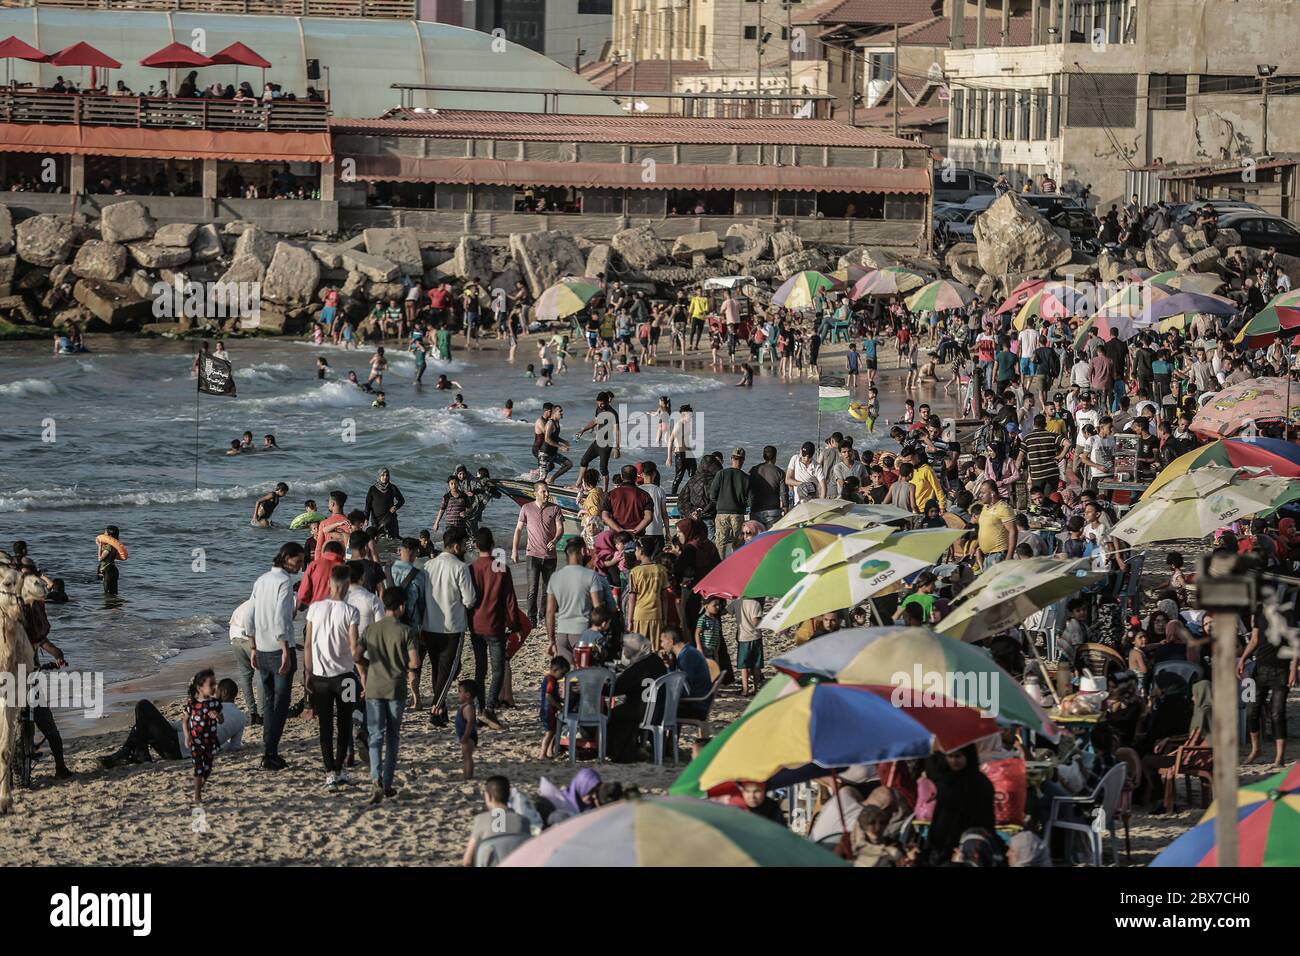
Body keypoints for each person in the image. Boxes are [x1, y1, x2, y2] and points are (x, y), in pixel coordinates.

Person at [354, 587, 420, 803]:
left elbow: (356, 654)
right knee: (392, 736)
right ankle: (388, 782)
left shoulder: (371, 630)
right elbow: (415, 663)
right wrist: (401, 666)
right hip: (395, 688)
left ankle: (376, 778)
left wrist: (369, 665)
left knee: (375, 735)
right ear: (401, 606)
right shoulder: (406, 631)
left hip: (373, 686)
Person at [101, 677, 245, 773]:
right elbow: (235, 746)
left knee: (143, 705)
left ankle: (138, 753)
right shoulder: (240, 717)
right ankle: (129, 752)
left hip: (176, 746)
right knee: (143, 725)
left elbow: (180, 725)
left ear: (223, 692)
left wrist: (161, 724)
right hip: (182, 750)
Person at [303, 565, 361, 789]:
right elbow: (354, 647)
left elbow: (308, 644)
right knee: (344, 723)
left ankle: (329, 772)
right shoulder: (351, 611)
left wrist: (308, 672)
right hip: (345, 676)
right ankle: (340, 768)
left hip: (320, 677)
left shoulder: (315, 609)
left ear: (329, 583)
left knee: (325, 725)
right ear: (346, 585)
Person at [249, 542, 304, 770]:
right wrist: (284, 650)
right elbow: (281, 619)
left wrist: (252, 646)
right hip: (279, 649)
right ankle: (270, 753)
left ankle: (268, 750)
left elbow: (250, 614)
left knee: (269, 702)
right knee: (280, 705)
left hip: (261, 648)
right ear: (287, 557)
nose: (300, 566)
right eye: (298, 561)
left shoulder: (261, 580)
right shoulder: (283, 582)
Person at [421, 527, 476, 727]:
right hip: (452, 626)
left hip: (429, 625)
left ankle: (441, 708)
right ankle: (436, 708)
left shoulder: (428, 565)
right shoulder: (460, 568)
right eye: (463, 546)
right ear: (456, 546)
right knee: (448, 670)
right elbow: (469, 600)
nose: (465, 550)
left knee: (438, 669)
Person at [468, 527, 518, 729]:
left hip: (475, 624)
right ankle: (489, 707)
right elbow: (510, 600)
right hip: (495, 624)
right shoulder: (500, 568)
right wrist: (513, 623)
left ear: (476, 546)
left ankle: (481, 709)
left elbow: (467, 599)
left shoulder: (471, 568)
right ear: (493, 544)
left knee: (480, 669)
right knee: (498, 668)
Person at [925, 745, 996, 865]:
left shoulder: (979, 783)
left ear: (968, 756)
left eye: (958, 756)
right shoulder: (945, 780)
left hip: (970, 846)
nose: (954, 761)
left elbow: (985, 817)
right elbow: (941, 815)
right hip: (944, 845)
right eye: (950, 756)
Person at [512, 481, 564, 625]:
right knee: (532, 588)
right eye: (544, 491)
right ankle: (531, 618)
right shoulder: (526, 508)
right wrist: (515, 550)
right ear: (535, 493)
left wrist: (555, 540)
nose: (547, 494)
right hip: (532, 554)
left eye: (547, 491)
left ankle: (542, 616)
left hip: (550, 556)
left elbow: (560, 528)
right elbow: (518, 529)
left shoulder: (555, 509)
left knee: (547, 588)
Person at [545, 538, 604, 664]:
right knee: (583, 674)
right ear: (583, 551)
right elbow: (598, 607)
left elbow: (549, 612)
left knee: (569, 677)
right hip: (581, 631)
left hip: (562, 633)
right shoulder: (590, 575)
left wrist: (551, 640)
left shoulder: (555, 577)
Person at [462, 775, 531, 866]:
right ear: (509, 795)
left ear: (489, 796)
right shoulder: (523, 820)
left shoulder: (481, 819)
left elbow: (467, 861)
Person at [182, 669, 226, 804]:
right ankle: (197, 797)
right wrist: (187, 736)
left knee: (208, 768)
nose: (214, 687)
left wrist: (217, 716)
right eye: (211, 684)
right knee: (198, 768)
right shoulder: (192, 704)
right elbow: (185, 720)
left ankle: (199, 788)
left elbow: (222, 720)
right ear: (200, 688)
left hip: (210, 742)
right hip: (196, 741)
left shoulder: (215, 703)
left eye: (215, 683)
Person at [659, 627, 711, 718]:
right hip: (697, 702)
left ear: (671, 642)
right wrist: (669, 665)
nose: (661, 645)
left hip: (696, 706)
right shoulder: (688, 651)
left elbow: (683, 690)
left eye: (662, 641)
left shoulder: (687, 656)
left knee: (655, 709)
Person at [709, 448, 751, 557]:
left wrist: (721, 502)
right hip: (738, 513)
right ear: (743, 460)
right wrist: (742, 504)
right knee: (738, 543)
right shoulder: (746, 478)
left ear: (731, 458)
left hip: (722, 513)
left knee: (721, 543)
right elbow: (751, 500)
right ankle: (736, 566)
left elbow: (712, 494)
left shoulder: (721, 474)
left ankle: (720, 567)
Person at [538, 656, 571, 759]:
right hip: (548, 711)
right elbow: (549, 696)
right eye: (562, 674)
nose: (563, 676)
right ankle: (542, 754)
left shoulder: (550, 679)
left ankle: (549, 752)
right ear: (554, 669)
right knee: (550, 732)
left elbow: (553, 695)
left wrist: (561, 700)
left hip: (549, 711)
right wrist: (559, 707)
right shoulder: (551, 681)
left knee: (554, 730)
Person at [364, 468, 405, 539]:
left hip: (390, 517)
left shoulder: (392, 488)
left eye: (387, 475)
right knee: (376, 539)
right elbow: (368, 505)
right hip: (376, 519)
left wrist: (396, 507)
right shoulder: (372, 489)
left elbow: (401, 500)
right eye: (383, 475)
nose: (385, 477)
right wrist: (366, 518)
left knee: (393, 539)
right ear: (379, 476)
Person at [455, 679, 478, 780]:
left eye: (460, 692)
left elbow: (470, 722)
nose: (458, 694)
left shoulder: (468, 707)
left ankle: (469, 775)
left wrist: (465, 736)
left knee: (467, 756)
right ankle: (466, 774)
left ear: (468, 695)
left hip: (469, 736)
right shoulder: (464, 706)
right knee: (465, 756)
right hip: (466, 735)